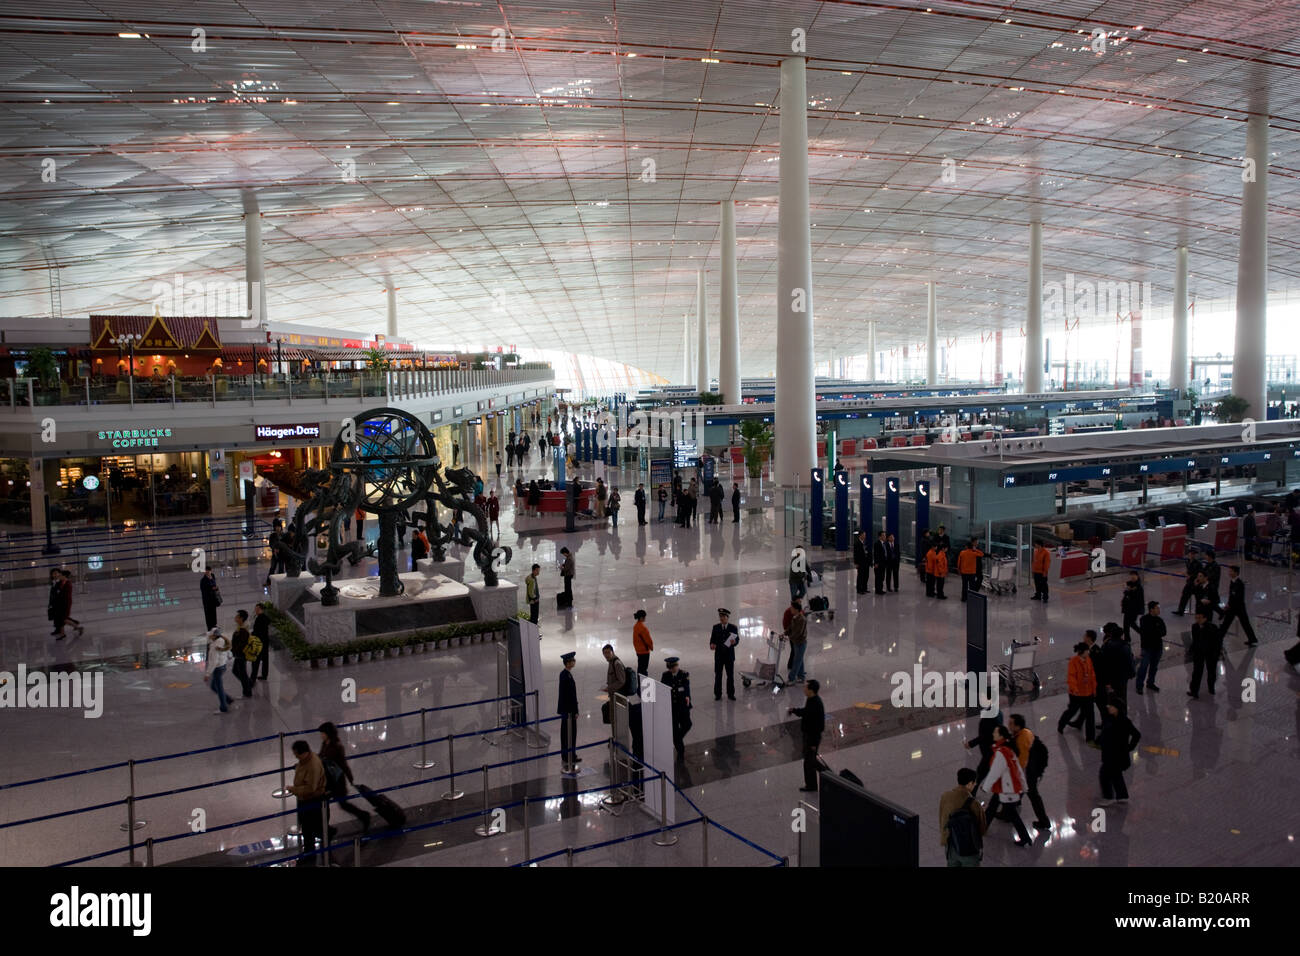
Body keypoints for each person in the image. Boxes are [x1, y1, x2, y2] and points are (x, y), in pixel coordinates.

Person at [978, 726, 1034, 847]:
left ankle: (1025, 837)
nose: (993, 733)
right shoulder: (1008, 749)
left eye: (995, 732)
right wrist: (1024, 786)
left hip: (1006, 789)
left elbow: (994, 773)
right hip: (1005, 787)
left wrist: (985, 787)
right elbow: (1018, 769)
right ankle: (983, 828)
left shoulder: (1001, 753)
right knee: (992, 808)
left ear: (1001, 736)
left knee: (1012, 814)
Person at [319, 721, 370, 832]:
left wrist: (350, 778)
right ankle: (326, 827)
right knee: (328, 803)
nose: (321, 735)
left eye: (322, 733)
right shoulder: (325, 744)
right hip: (329, 780)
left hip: (337, 781)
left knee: (342, 804)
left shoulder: (337, 746)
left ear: (328, 733)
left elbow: (343, 764)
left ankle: (364, 816)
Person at [287, 740, 328, 864]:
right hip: (304, 799)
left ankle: (310, 856)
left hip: (311, 800)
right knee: (307, 828)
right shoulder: (305, 760)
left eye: (297, 755)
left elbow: (311, 788)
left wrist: (293, 789)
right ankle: (309, 851)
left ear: (304, 753)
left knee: (309, 829)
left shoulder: (313, 765)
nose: (296, 757)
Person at [1008, 714, 1051, 832]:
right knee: (1026, 792)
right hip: (1032, 769)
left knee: (1032, 795)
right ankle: (1011, 808)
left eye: (1011, 723)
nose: (1008, 725)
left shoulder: (1022, 739)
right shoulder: (1024, 732)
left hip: (1029, 772)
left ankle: (1044, 821)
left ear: (1017, 726)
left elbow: (1022, 762)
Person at [939, 767, 988, 867]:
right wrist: (981, 811)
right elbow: (982, 829)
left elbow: (942, 820)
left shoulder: (945, 796)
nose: (975, 785)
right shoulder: (974, 803)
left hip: (951, 845)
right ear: (970, 783)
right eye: (974, 783)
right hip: (969, 849)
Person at [1097, 699, 1141, 805]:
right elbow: (1105, 733)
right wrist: (1099, 741)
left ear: (1117, 709)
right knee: (1116, 774)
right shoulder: (1110, 719)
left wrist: (1130, 747)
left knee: (1105, 774)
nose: (1109, 708)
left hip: (1117, 754)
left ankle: (1108, 797)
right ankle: (1122, 795)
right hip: (1110, 753)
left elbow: (1136, 734)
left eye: (1111, 706)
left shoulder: (1124, 721)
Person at [788, 679, 825, 793]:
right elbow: (806, 712)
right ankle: (813, 783)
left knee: (810, 762)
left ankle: (822, 777)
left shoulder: (816, 703)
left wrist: (813, 743)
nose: (804, 689)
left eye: (806, 687)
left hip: (812, 737)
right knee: (809, 761)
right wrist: (794, 710)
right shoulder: (812, 700)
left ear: (811, 690)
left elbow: (818, 726)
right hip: (808, 735)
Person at [1058, 641, 1098, 742]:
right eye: (1087, 651)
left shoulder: (1088, 660)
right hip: (1076, 694)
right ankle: (1061, 724)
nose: (1088, 652)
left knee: (1090, 716)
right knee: (1072, 711)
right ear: (1082, 652)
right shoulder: (1073, 662)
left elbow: (1092, 675)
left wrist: (1094, 689)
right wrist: (1074, 689)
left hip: (1088, 693)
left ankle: (1090, 738)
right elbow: (1071, 677)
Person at [1187, 607, 1222, 700]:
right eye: (1196, 617)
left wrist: (1217, 653)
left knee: (1211, 671)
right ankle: (1194, 691)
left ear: (1205, 618)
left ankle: (1211, 687)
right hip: (1199, 653)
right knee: (1197, 672)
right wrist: (1191, 651)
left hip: (1211, 653)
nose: (1197, 620)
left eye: (1199, 618)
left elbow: (1218, 642)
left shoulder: (1212, 628)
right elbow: (1195, 640)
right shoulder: (1194, 627)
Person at [1218, 565, 1258, 646]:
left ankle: (1252, 639)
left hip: (1239, 607)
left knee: (1245, 623)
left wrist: (1229, 605)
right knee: (1226, 623)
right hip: (1233, 607)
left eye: (1231, 571)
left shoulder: (1239, 583)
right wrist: (1228, 604)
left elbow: (1238, 597)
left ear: (1236, 573)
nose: (1229, 573)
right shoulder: (1232, 581)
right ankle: (1219, 638)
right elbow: (1231, 595)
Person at [1098, 622, 1134, 708]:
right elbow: (1129, 660)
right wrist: (1131, 673)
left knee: (1111, 696)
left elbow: (1102, 661)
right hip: (1121, 676)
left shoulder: (1106, 645)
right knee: (1122, 696)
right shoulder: (1125, 646)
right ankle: (1121, 714)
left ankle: (1112, 714)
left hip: (1110, 676)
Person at [662, 656, 693, 758]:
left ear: (677, 665)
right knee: (675, 729)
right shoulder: (665, 675)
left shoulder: (684, 674)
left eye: (673, 667)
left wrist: (688, 697)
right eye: (670, 668)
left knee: (687, 724)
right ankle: (680, 752)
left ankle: (677, 738)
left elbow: (686, 687)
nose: (672, 669)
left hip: (683, 706)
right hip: (672, 708)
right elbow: (663, 689)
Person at [1135, 601, 1166, 694]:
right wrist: (1156, 632)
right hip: (1147, 648)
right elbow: (1147, 632)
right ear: (1151, 609)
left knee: (1154, 667)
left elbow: (1164, 632)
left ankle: (1150, 683)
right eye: (1157, 608)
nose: (1159, 610)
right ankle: (1139, 685)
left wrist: (1154, 632)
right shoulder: (1144, 619)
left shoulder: (1160, 620)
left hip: (1158, 647)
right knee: (1143, 667)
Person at [710, 607, 740, 701]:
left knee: (730, 676)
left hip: (729, 656)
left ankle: (730, 693)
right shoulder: (716, 627)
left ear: (727, 617)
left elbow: (737, 640)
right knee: (718, 675)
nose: (721, 618)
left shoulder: (733, 628)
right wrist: (712, 645)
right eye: (720, 616)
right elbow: (712, 639)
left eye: (723, 616)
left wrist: (734, 642)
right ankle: (718, 694)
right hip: (718, 656)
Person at [557, 652, 580, 773]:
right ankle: (567, 755)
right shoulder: (565, 676)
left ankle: (571, 754)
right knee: (568, 733)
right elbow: (570, 696)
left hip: (568, 710)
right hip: (569, 711)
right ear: (568, 662)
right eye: (572, 660)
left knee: (570, 733)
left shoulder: (565, 674)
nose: (574, 662)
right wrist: (575, 711)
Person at [204, 628, 235, 714]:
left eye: (210, 634)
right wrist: (228, 657)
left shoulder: (215, 646)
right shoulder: (222, 640)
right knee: (214, 686)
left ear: (214, 636)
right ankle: (228, 699)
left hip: (218, 668)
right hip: (223, 666)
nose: (209, 636)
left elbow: (214, 661)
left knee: (219, 688)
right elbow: (229, 653)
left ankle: (223, 708)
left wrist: (207, 674)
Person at [229, 609, 255, 698]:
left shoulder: (243, 630)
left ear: (241, 618)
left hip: (241, 655)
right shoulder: (240, 628)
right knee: (236, 671)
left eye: (237, 617)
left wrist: (234, 650)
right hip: (239, 654)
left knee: (242, 673)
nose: (235, 618)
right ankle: (249, 683)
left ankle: (247, 692)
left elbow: (241, 644)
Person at [1172, 551, 1205, 615]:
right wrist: (1186, 574)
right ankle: (1181, 611)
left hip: (1196, 583)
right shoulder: (1187, 561)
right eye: (1190, 554)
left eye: (1192, 554)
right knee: (1184, 596)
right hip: (1189, 582)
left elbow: (1200, 573)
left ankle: (1200, 612)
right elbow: (1188, 570)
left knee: (1198, 598)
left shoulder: (1198, 563)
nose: (1191, 555)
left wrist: (1194, 578)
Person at [786, 600, 808, 683]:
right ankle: (801, 676)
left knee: (797, 661)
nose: (790, 609)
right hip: (796, 642)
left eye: (792, 608)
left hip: (801, 643)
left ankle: (791, 678)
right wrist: (785, 633)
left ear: (796, 609)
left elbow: (798, 632)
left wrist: (789, 637)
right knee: (799, 659)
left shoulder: (802, 619)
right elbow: (790, 628)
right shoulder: (794, 617)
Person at [1120, 572, 1144, 641]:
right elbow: (1126, 592)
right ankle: (1127, 638)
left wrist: (1127, 590)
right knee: (1126, 624)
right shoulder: (1130, 584)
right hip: (1128, 607)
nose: (1132, 577)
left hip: (1134, 608)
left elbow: (1131, 594)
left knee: (1131, 623)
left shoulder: (1138, 586)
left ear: (1137, 576)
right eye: (1131, 576)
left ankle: (1142, 633)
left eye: (1134, 576)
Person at [250, 602, 271, 680]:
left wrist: (252, 635)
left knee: (256, 660)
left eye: (257, 609)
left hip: (259, 642)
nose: (255, 610)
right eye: (255, 609)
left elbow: (258, 631)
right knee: (265, 659)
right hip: (265, 641)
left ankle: (253, 677)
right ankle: (264, 675)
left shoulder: (260, 618)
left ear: (261, 609)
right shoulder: (265, 617)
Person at [264, 517, 285, 588]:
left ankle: (280, 583)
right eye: (276, 527)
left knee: (281, 569)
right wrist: (274, 548)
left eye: (278, 527)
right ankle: (268, 582)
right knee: (272, 568)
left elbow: (286, 544)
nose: (277, 528)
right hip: (275, 555)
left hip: (282, 555)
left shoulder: (283, 535)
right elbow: (271, 544)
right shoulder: (272, 535)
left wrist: (281, 549)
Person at [199, 567, 221, 632]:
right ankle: (210, 627)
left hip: (213, 599)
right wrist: (212, 588)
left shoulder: (213, 576)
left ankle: (214, 625)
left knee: (214, 612)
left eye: (209, 571)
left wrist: (215, 588)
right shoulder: (203, 580)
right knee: (208, 614)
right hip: (207, 601)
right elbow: (204, 590)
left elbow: (214, 584)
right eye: (206, 571)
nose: (208, 572)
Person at [632, 609, 653, 675]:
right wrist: (651, 647)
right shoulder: (643, 628)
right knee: (644, 669)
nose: (645, 618)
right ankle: (643, 682)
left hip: (638, 651)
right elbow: (648, 640)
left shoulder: (636, 626)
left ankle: (639, 680)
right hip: (644, 651)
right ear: (641, 618)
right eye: (644, 617)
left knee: (640, 667)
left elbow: (635, 640)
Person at [853, 530, 871, 595]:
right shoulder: (857, 543)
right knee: (860, 576)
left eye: (865, 535)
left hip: (866, 562)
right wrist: (856, 563)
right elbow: (855, 554)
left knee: (866, 576)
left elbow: (867, 552)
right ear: (860, 535)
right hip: (860, 563)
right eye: (864, 535)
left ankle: (864, 588)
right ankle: (859, 589)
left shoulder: (864, 543)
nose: (865, 536)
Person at [873, 530, 889, 595]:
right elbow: (876, 554)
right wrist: (876, 563)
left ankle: (880, 589)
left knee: (882, 577)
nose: (885, 536)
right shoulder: (877, 543)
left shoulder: (884, 544)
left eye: (885, 535)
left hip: (883, 563)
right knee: (878, 577)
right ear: (880, 537)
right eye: (883, 535)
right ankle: (878, 590)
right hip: (878, 564)